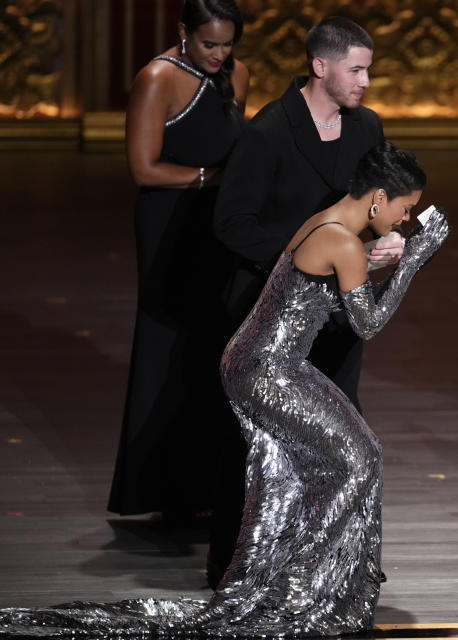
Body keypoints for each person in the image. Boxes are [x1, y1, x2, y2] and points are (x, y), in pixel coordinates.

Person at [0, 142, 449, 637]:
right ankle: (305, 586)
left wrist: (374, 259)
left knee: (342, 459)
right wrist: (413, 261)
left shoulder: (330, 225)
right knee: (358, 459)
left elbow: (328, 283)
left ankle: (309, 581)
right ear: (378, 198)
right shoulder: (343, 242)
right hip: (264, 369)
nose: (407, 219)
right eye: (406, 209)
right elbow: (367, 323)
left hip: (264, 362)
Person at [208, 16, 401, 585]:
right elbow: (231, 222)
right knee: (258, 443)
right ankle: (236, 563)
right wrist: (306, 258)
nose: (365, 81)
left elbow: (375, 203)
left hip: (336, 311)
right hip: (273, 312)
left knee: (345, 433)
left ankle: (338, 564)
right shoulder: (269, 130)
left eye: (368, 69)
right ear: (322, 67)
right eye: (357, 69)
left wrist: (385, 240)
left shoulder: (366, 128)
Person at [107, 0, 249, 519]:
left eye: (228, 43)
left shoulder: (238, 73)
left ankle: (208, 484)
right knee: (169, 341)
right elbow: (144, 170)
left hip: (219, 226)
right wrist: (211, 178)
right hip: (170, 225)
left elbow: (239, 150)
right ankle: (157, 488)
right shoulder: (156, 78)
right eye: (209, 43)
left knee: (217, 343)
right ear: (183, 32)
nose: (219, 54)